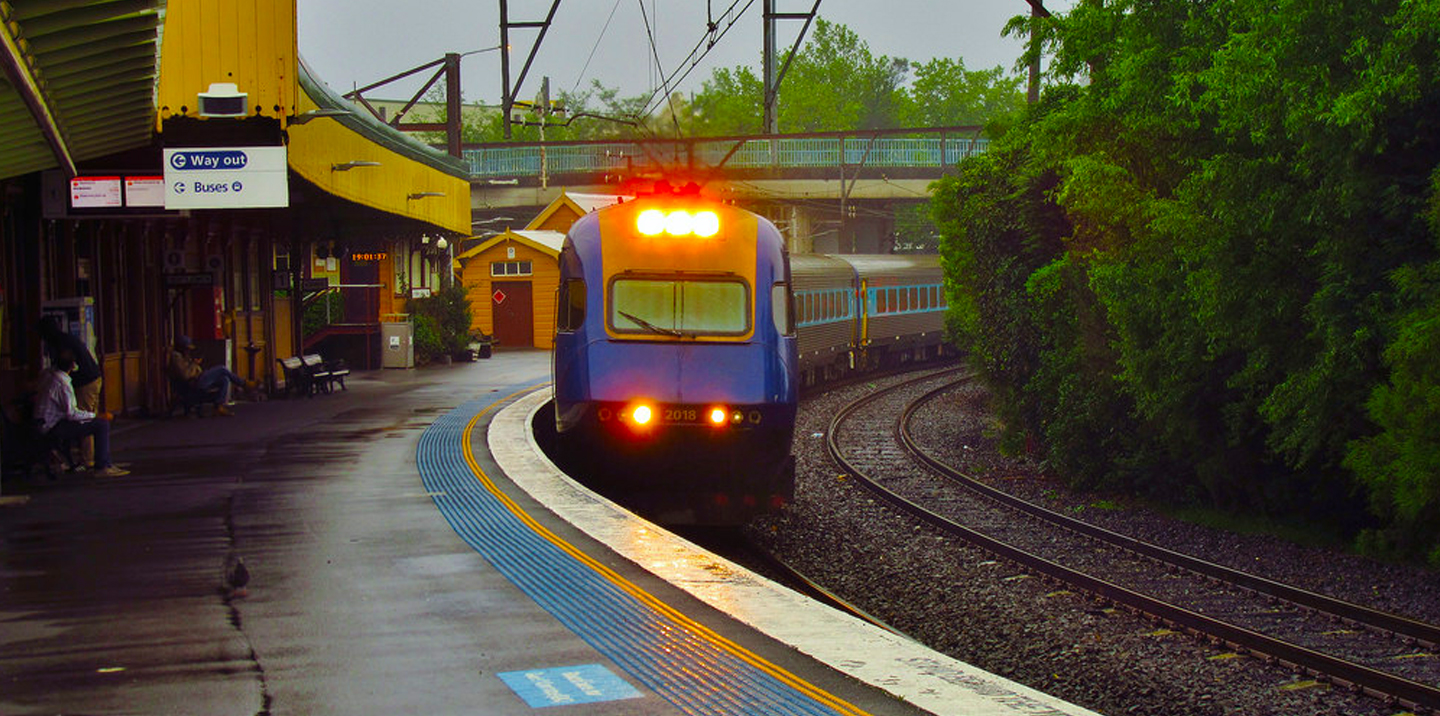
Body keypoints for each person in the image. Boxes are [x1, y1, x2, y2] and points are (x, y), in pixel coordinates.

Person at [35, 350, 128, 477]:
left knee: (94, 422)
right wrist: (94, 416)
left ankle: (101, 463)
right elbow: (71, 414)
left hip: (42, 423)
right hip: (53, 426)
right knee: (101, 425)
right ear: (73, 366)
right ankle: (102, 466)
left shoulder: (47, 374)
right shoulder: (63, 383)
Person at [36, 316, 103, 467]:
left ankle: (87, 459)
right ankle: (85, 457)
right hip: (90, 378)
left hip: (86, 381)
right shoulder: (64, 339)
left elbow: (62, 366)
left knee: (84, 420)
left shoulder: (59, 343)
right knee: (85, 417)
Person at [167, 336, 253, 416]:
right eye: (187, 349)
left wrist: (195, 365)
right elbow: (185, 375)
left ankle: (219, 406)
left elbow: (193, 370)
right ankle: (244, 384)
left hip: (197, 379)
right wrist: (194, 364)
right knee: (222, 369)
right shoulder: (176, 357)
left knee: (224, 379)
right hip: (193, 383)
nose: (188, 351)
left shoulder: (184, 357)